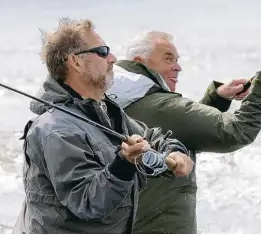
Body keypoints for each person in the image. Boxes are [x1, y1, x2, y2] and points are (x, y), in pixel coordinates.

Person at [13, 20, 194, 234]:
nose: (113, 59)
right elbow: (88, 202)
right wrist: (124, 163)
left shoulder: (105, 111)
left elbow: (152, 138)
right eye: (102, 52)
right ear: (75, 62)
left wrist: (175, 153)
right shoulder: (56, 130)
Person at [105, 31, 261, 233]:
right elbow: (238, 131)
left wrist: (217, 99)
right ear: (140, 62)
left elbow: (177, 130)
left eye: (177, 60)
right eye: (168, 58)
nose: (177, 67)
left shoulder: (110, 100)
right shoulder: (163, 107)